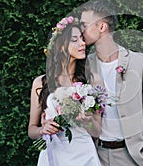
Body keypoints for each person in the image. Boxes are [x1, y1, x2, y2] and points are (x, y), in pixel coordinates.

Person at [80, 0, 143, 166]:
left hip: (131, 156)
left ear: (102, 27)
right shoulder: (85, 66)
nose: (80, 31)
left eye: (84, 25)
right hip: (96, 155)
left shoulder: (139, 62)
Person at [28, 15, 102, 166]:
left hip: (84, 155)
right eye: (75, 40)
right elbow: (31, 130)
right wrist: (43, 129)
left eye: (82, 39)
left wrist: (87, 121)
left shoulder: (92, 81)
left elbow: (97, 131)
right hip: (54, 154)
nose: (83, 43)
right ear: (60, 46)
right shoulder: (40, 83)